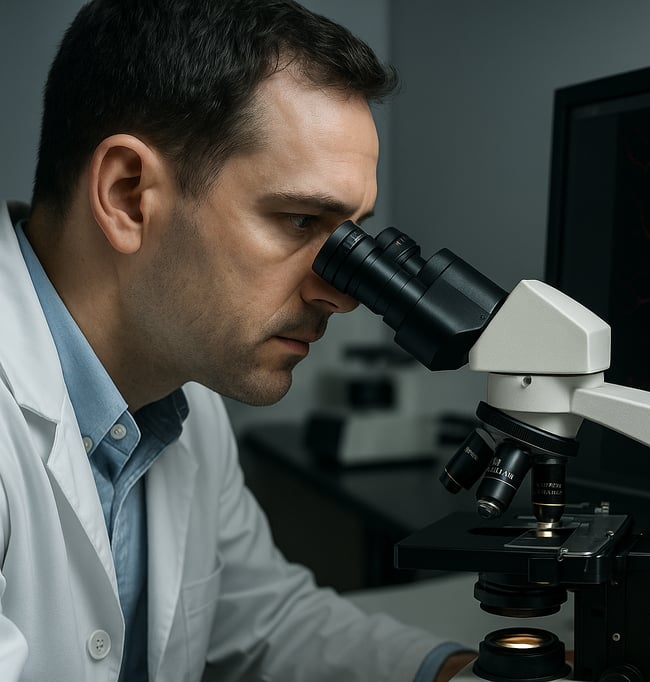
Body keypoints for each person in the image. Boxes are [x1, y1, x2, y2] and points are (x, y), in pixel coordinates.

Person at [0, 0, 477, 679]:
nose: (342, 293)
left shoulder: (179, 396)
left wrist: (452, 673)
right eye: (302, 220)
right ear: (129, 194)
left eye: (351, 238)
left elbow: (260, 620)